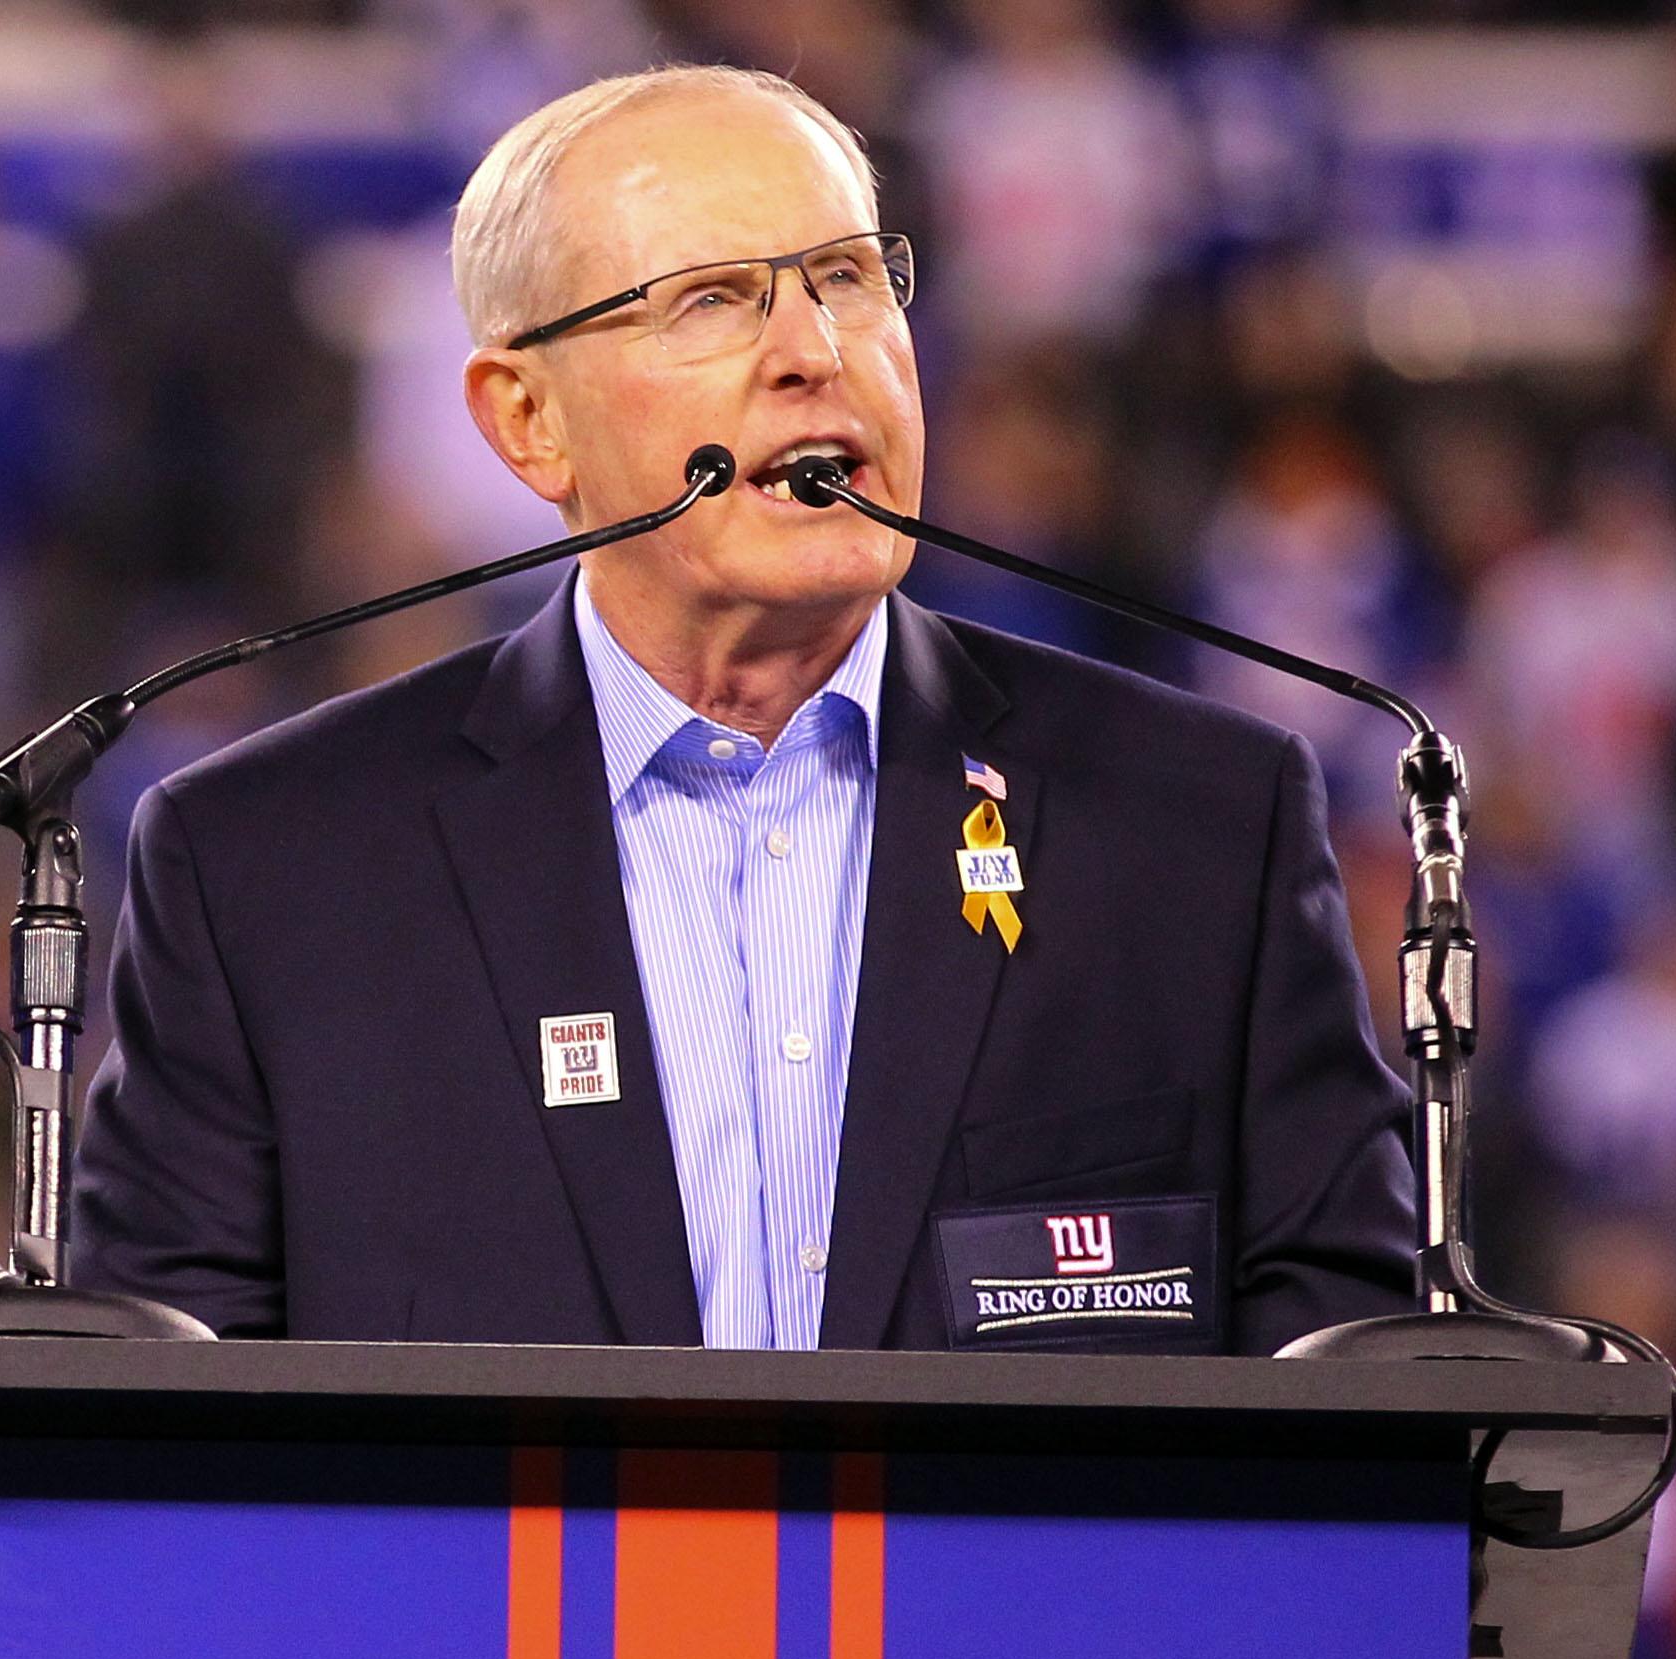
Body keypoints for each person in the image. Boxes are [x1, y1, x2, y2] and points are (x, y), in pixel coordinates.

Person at [71, 65, 1414, 1351]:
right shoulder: (267, 868)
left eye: (846, 278)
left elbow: (1343, 1393)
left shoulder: (1198, 830)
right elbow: (163, 1451)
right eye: (708, 299)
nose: (811, 352)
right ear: (528, 418)